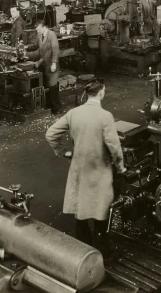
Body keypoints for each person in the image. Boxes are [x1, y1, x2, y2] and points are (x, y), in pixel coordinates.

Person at [44, 79, 124, 253]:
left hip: (79, 167)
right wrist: (120, 167)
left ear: (87, 94)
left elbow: (50, 134)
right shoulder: (105, 116)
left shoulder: (74, 113)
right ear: (101, 93)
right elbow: (115, 147)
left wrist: (63, 151)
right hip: (99, 169)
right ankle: (102, 253)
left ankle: (82, 253)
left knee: (81, 210)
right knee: (100, 211)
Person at [27, 21, 61, 114]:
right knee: (46, 85)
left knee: (52, 86)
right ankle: (49, 106)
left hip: (51, 64)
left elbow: (55, 50)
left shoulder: (51, 35)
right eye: (37, 29)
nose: (37, 31)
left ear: (44, 27)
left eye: (38, 29)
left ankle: (57, 108)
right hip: (43, 64)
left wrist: (54, 63)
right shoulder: (39, 35)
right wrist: (25, 48)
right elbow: (35, 46)